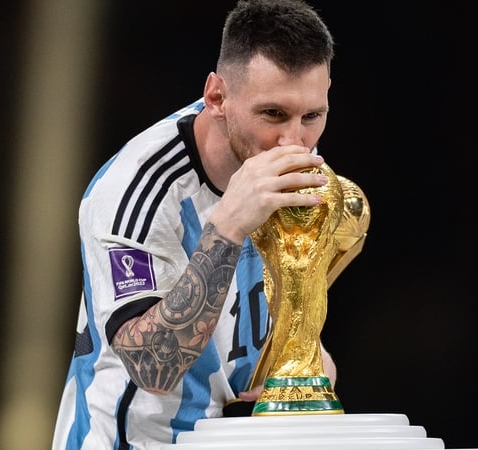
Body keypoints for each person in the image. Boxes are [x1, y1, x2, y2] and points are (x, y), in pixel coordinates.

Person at [52, 0, 339, 448]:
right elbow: (152, 367)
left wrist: (308, 363)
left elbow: (282, 315)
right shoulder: (135, 190)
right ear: (217, 97)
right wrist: (227, 228)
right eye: (273, 115)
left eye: (312, 116)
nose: (294, 141)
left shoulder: (296, 166)